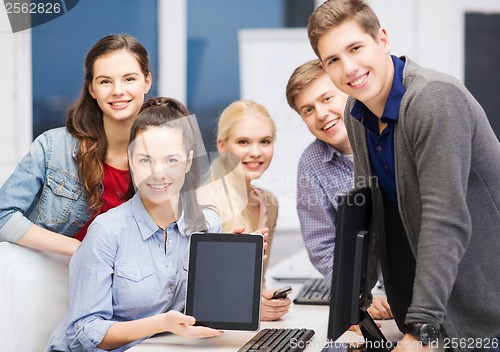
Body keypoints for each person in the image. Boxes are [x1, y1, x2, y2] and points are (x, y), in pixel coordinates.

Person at [308, 0, 500, 350]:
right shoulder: (356, 112)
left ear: (382, 40)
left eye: (355, 48)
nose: (349, 68)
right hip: (433, 313)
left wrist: (421, 328)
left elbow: (446, 220)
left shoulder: (434, 99)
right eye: (333, 60)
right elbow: (369, 217)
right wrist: (354, 307)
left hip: (487, 312)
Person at [46, 97, 223, 352]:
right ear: (130, 160)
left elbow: (207, 308)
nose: (158, 172)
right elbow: (85, 331)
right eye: (145, 160)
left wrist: (242, 281)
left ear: (188, 161)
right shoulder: (107, 231)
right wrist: (161, 323)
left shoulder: (207, 226)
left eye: (171, 160)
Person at [0, 34, 152, 256]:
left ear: (147, 81)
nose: (117, 90)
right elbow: (3, 216)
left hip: (128, 286)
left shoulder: (163, 155)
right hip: (54, 280)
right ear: (92, 89)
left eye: (129, 79)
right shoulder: (53, 147)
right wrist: (84, 250)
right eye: (105, 81)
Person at [286, 59, 392, 321]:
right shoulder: (311, 164)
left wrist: (401, 292)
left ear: (348, 92)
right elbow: (323, 245)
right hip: (371, 300)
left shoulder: (390, 137)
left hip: (421, 290)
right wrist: (361, 295)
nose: (320, 114)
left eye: (326, 98)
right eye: (307, 110)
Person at [198, 100, 290, 321]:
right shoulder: (201, 203)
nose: (256, 152)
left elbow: (258, 281)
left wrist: (265, 299)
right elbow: (192, 291)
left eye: (265, 142)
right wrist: (246, 306)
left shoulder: (269, 203)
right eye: (243, 142)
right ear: (222, 145)